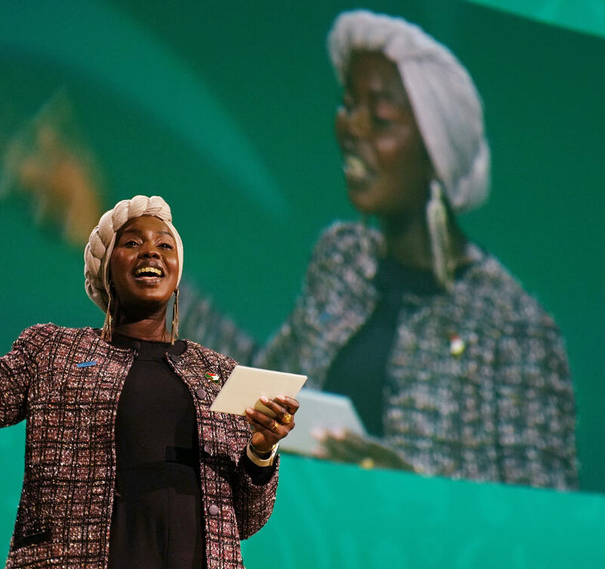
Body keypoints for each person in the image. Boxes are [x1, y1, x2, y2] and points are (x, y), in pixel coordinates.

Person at [180, 10, 577, 490]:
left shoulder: (514, 328)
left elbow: (544, 519)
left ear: (438, 153)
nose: (351, 127)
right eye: (348, 105)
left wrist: (406, 488)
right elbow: (257, 386)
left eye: (381, 117)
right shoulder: (341, 261)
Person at [0, 193, 298, 569]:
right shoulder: (53, 353)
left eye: (166, 245)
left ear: (178, 273)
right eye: (133, 243)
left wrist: (262, 451)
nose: (151, 253)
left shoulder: (218, 373)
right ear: (105, 265)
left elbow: (246, 518)